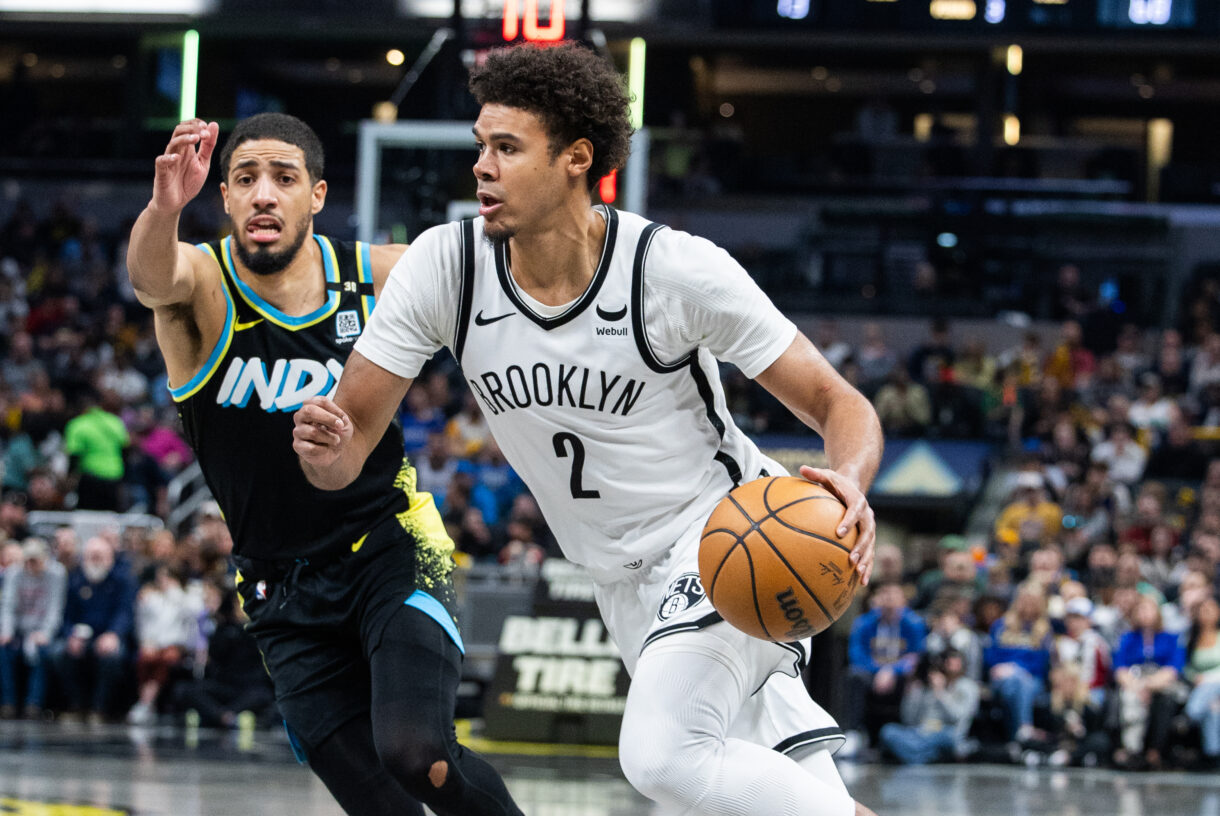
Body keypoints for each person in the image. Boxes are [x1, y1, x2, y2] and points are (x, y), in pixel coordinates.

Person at [294, 42, 883, 816]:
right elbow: (348, 448)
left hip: (721, 540)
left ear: (577, 158)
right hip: (618, 582)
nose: (482, 167)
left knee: (662, 756)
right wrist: (327, 454)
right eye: (481, 146)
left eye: (507, 148)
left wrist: (849, 482)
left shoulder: (672, 271)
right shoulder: (445, 266)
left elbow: (840, 403)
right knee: (763, 790)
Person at [126, 113, 522, 816]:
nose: (264, 194)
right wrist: (165, 208)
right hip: (281, 590)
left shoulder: (377, 275)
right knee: (379, 804)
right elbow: (152, 277)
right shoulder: (200, 286)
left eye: (283, 178)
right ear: (224, 197)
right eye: (246, 179)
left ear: (317, 195)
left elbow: (496, 269)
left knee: (419, 756)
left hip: (389, 550)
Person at [0, 537, 67, 719]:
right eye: (28, 560)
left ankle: (34, 704)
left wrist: (45, 633)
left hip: (41, 629)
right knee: (3, 650)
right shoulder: (14, 573)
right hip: (19, 629)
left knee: (43, 652)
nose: (30, 564)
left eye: (35, 560)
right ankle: (8, 703)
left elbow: (55, 609)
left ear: (44, 559)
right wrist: (6, 631)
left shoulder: (56, 574)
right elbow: (8, 605)